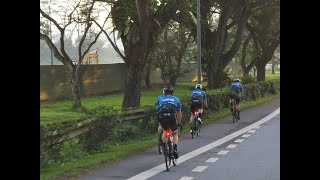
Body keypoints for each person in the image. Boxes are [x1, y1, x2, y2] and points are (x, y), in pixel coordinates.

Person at [155, 86, 182, 159]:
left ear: (165, 93)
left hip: (162, 117)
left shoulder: (161, 98)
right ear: (172, 93)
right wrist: (179, 123)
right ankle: (175, 149)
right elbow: (179, 113)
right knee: (175, 133)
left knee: (165, 130)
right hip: (171, 117)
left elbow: (157, 108)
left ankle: (164, 146)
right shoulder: (176, 99)